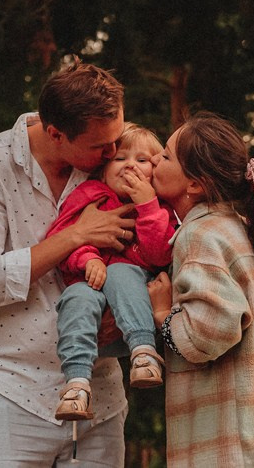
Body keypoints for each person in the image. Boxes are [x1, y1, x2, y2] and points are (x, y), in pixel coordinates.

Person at [0, 58, 138, 468]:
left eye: (117, 139)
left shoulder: (115, 167)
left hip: (99, 398)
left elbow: (149, 256)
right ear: (56, 133)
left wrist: (124, 314)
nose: (114, 152)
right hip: (7, 391)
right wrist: (75, 236)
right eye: (100, 146)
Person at [147, 112, 254, 468]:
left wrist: (164, 315)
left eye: (165, 156)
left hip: (235, 449)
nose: (153, 161)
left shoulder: (199, 235)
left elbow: (214, 328)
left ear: (195, 184)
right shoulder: (238, 229)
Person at [46, 123, 175, 420]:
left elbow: (159, 254)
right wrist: (87, 258)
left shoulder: (159, 207)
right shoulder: (90, 194)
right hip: (91, 297)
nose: (130, 164)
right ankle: (77, 384)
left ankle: (143, 354)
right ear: (103, 170)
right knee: (76, 296)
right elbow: (61, 235)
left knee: (120, 272)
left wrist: (147, 206)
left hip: (131, 308)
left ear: (154, 175)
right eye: (120, 158)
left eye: (143, 161)